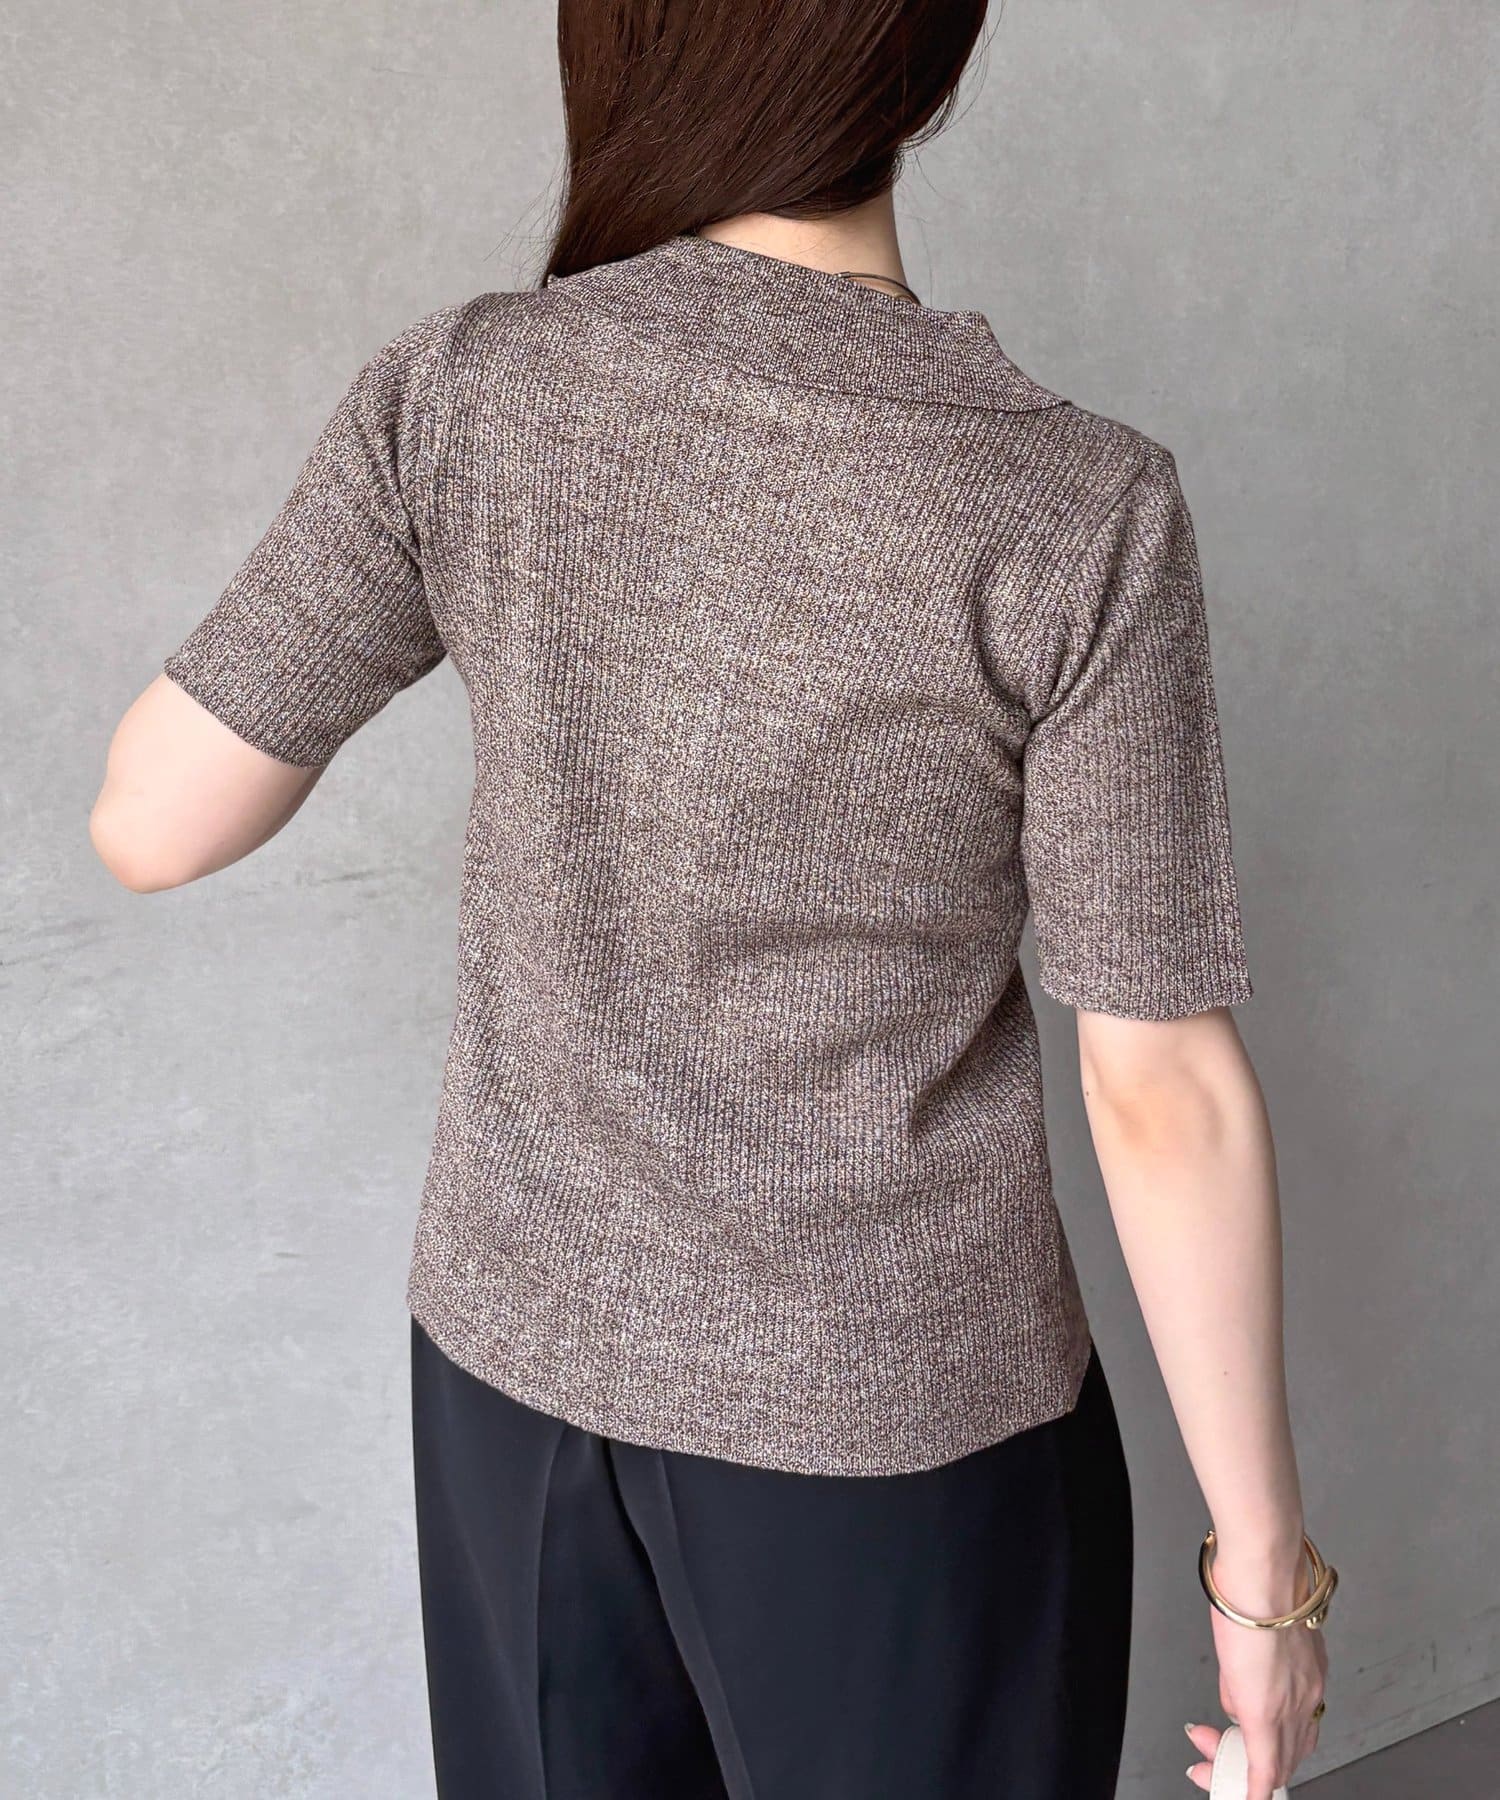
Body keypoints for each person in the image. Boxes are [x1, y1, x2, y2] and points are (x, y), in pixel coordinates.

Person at [88, 2, 1335, 1796]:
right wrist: (1265, 1583)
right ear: (929, 64)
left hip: (515, 1388)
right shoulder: (1070, 506)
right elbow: (1158, 1089)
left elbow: (153, 823)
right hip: (888, 1433)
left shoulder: (470, 389)